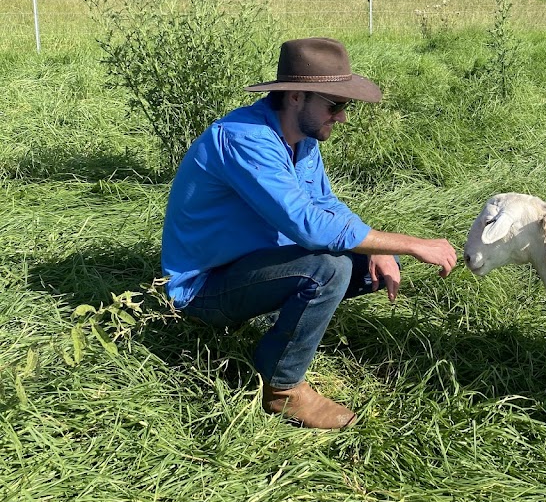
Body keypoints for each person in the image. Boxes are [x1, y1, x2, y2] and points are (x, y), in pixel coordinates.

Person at [161, 37, 458, 430]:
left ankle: (283, 332)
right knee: (328, 268)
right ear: (297, 96)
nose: (342, 117)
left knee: (369, 264)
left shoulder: (300, 139)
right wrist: (413, 242)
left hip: (252, 262)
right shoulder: (245, 138)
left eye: (345, 105)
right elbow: (309, 225)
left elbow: (326, 204)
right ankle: (282, 389)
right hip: (203, 287)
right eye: (334, 105)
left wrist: (378, 248)